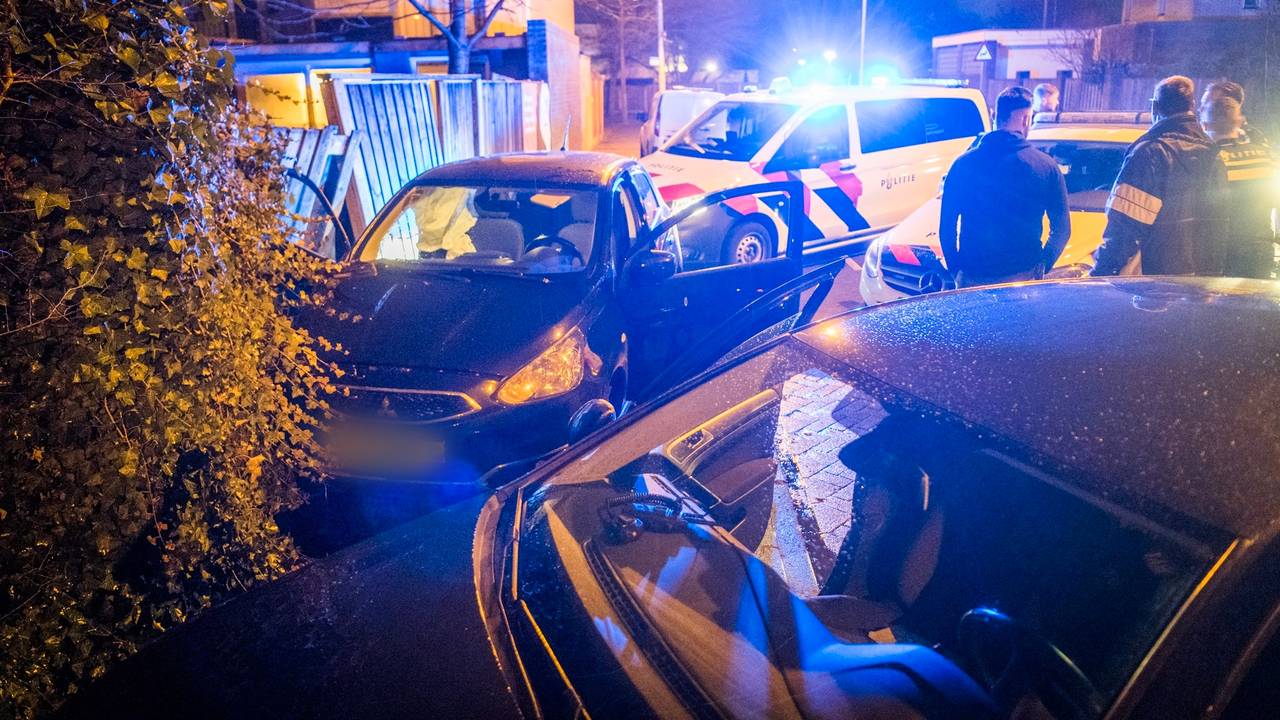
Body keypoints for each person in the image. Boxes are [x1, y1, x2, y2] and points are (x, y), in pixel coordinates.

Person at [1092, 76, 1228, 276]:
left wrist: (1101, 272)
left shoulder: (1150, 154)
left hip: (1155, 287)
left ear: (1155, 108)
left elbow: (1125, 230)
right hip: (1201, 284)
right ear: (1192, 106)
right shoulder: (1214, 157)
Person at [940, 86, 1071, 288]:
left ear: (995, 116)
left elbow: (947, 226)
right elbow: (1062, 229)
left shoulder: (963, 164)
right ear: (1026, 120)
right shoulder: (1046, 166)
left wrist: (956, 268)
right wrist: (1042, 265)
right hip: (1024, 277)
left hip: (974, 276)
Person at [1202, 96, 1278, 279]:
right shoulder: (1265, 155)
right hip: (1259, 250)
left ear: (1205, 125)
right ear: (1239, 122)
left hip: (1219, 252)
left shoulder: (1208, 160)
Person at [1201, 80, 1268, 146]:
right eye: (1202, 103)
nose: (1201, 109)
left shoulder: (1255, 139)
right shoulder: (1197, 136)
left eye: (1210, 105)